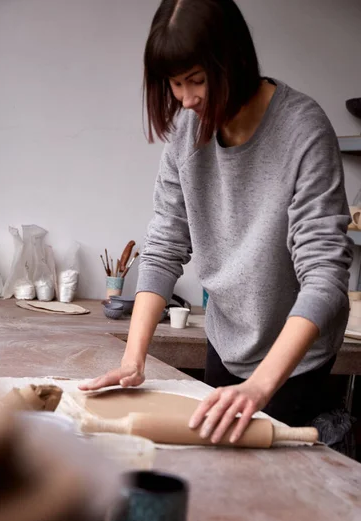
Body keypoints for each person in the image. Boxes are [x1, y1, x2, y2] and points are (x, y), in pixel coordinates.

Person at [80, 0, 353, 444]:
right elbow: (165, 243)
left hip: (294, 364)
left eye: (197, 81)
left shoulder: (303, 131)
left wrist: (261, 386)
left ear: (233, 62)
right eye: (175, 84)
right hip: (225, 344)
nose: (186, 99)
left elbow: (324, 277)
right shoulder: (187, 132)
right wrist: (134, 359)